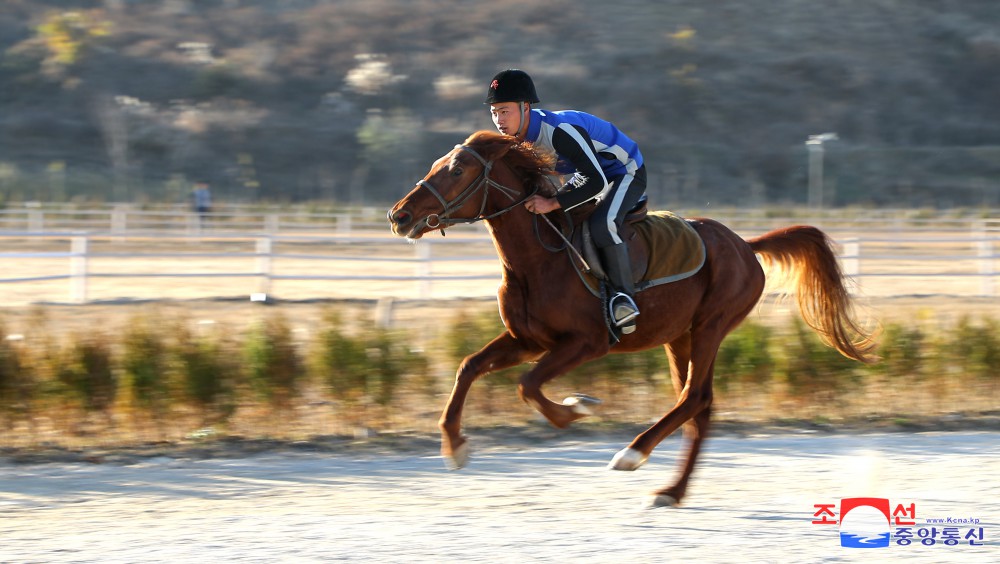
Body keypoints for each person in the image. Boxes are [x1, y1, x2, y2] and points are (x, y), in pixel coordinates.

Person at [485, 69, 646, 334]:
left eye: (505, 111)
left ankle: (624, 300)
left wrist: (551, 203)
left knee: (602, 224)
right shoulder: (516, 140)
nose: (499, 120)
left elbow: (596, 181)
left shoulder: (559, 131)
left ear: (525, 108)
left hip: (624, 171)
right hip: (590, 174)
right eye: (494, 112)